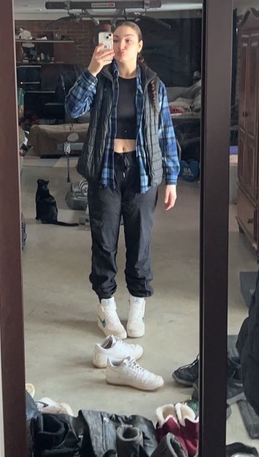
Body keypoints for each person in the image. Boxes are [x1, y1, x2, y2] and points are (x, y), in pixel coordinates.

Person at [65, 21, 180, 339]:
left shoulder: (154, 85)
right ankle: (107, 308)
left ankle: (137, 306)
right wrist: (92, 69)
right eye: (115, 39)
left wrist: (171, 179)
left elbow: (166, 133)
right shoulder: (100, 80)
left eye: (128, 40)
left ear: (139, 46)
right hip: (105, 170)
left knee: (140, 241)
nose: (121, 45)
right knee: (103, 242)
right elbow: (73, 108)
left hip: (142, 172)